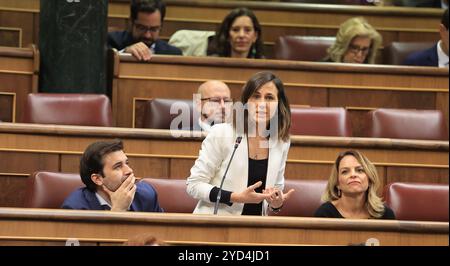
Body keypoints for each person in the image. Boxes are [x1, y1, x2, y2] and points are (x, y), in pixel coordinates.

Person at [187, 71, 295, 215]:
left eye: (269, 98)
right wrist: (235, 197)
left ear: (279, 104)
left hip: (256, 228)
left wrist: (276, 203)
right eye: (256, 97)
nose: (262, 104)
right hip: (215, 224)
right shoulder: (222, 133)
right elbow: (194, 185)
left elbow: (275, 189)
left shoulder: (281, 142)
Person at [62, 139, 163, 212]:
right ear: (97, 179)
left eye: (127, 163)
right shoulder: (75, 208)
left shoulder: (146, 195)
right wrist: (118, 210)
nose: (129, 170)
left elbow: (161, 237)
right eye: (118, 166)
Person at [314, 150, 395, 219]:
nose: (353, 175)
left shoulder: (384, 215)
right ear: (337, 183)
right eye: (345, 171)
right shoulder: (324, 214)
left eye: (359, 170)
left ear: (369, 180)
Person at [108, 0, 182, 61]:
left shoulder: (173, 53)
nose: (147, 35)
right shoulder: (111, 41)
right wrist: (124, 53)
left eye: (153, 29)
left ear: (161, 26)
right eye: (142, 28)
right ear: (131, 22)